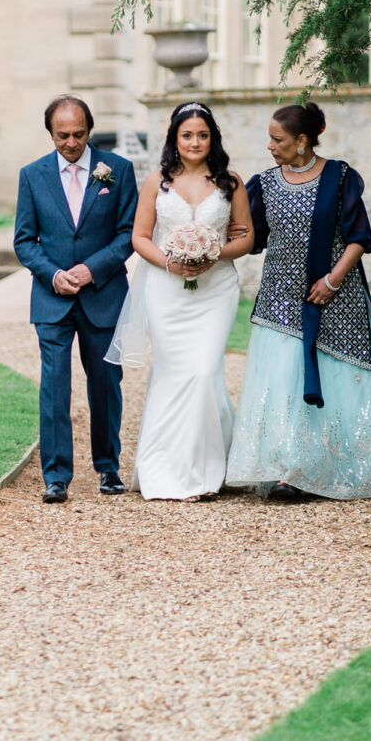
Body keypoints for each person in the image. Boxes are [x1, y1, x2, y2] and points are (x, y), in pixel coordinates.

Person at [226, 101, 371, 502]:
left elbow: (360, 237)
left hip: (336, 297)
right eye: (270, 139)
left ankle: (338, 469)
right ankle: (290, 469)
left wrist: (332, 281)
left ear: (302, 141)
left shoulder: (340, 178)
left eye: (278, 139)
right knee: (284, 381)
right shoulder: (265, 183)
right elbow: (246, 233)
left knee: (341, 382)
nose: (270, 146)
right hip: (281, 302)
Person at [106, 101, 254, 500]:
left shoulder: (230, 183)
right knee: (173, 373)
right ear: (175, 138)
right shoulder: (157, 181)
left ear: (213, 139)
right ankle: (167, 469)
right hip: (165, 290)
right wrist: (172, 264)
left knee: (205, 370)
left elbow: (245, 236)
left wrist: (213, 254)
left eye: (202, 135)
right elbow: (139, 237)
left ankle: (208, 468)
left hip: (216, 289)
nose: (195, 142)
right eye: (187, 135)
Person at [14, 95, 138, 504]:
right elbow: (24, 242)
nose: (71, 142)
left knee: (105, 384)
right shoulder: (32, 175)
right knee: (53, 386)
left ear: (90, 128)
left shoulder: (117, 170)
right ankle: (56, 476)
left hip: (103, 295)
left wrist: (92, 269)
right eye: (62, 135)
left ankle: (108, 468)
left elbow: (127, 235)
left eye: (79, 134)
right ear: (50, 133)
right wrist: (53, 274)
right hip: (52, 299)